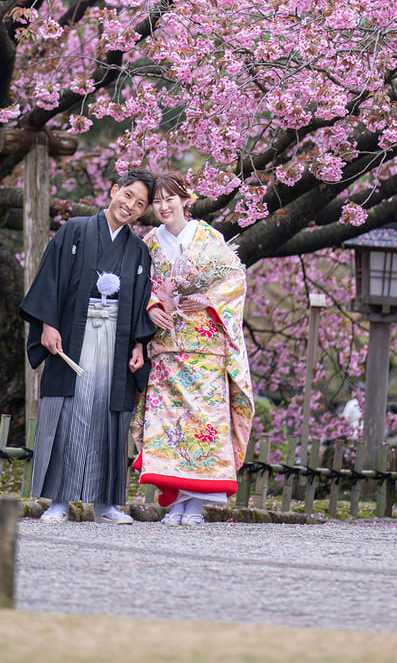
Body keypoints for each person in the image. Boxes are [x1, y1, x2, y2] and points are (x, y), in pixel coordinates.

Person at [20, 168, 156, 524]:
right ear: (113, 190)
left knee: (108, 416)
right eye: (127, 195)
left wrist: (139, 346)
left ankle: (106, 502)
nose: (130, 205)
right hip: (73, 337)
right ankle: (59, 501)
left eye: (139, 204)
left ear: (143, 213)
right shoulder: (75, 230)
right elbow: (51, 278)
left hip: (117, 340)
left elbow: (142, 302)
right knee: (68, 414)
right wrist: (48, 325)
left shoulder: (138, 251)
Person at [133, 171, 254, 526]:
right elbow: (141, 285)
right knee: (169, 424)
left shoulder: (209, 238)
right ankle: (175, 502)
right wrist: (152, 305)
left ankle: (196, 504)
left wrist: (207, 298)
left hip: (204, 348)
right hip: (167, 347)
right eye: (156, 201)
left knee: (203, 424)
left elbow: (234, 280)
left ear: (187, 199)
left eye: (170, 198)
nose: (163, 206)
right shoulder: (149, 243)